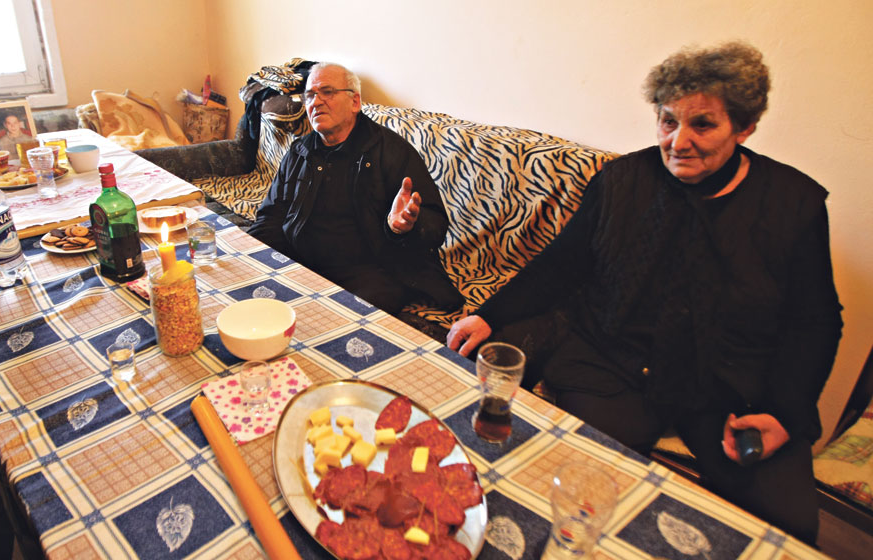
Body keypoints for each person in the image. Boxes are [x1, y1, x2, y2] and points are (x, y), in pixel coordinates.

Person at [446, 42, 842, 543]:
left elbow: (814, 322)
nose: (679, 141)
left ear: (743, 128)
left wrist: (785, 411)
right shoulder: (622, 180)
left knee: (788, 526)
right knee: (573, 488)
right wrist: (489, 314)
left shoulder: (793, 204)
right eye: (668, 121)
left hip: (729, 384)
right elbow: (562, 264)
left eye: (702, 125)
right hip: (613, 362)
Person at [247, 62, 462, 314]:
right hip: (302, 259)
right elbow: (272, 215)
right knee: (255, 300)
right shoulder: (299, 151)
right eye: (310, 95)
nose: (316, 102)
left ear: (355, 102)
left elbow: (435, 224)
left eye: (327, 92)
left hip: (368, 270)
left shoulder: (392, 151)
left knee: (345, 315)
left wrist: (401, 227)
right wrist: (250, 256)